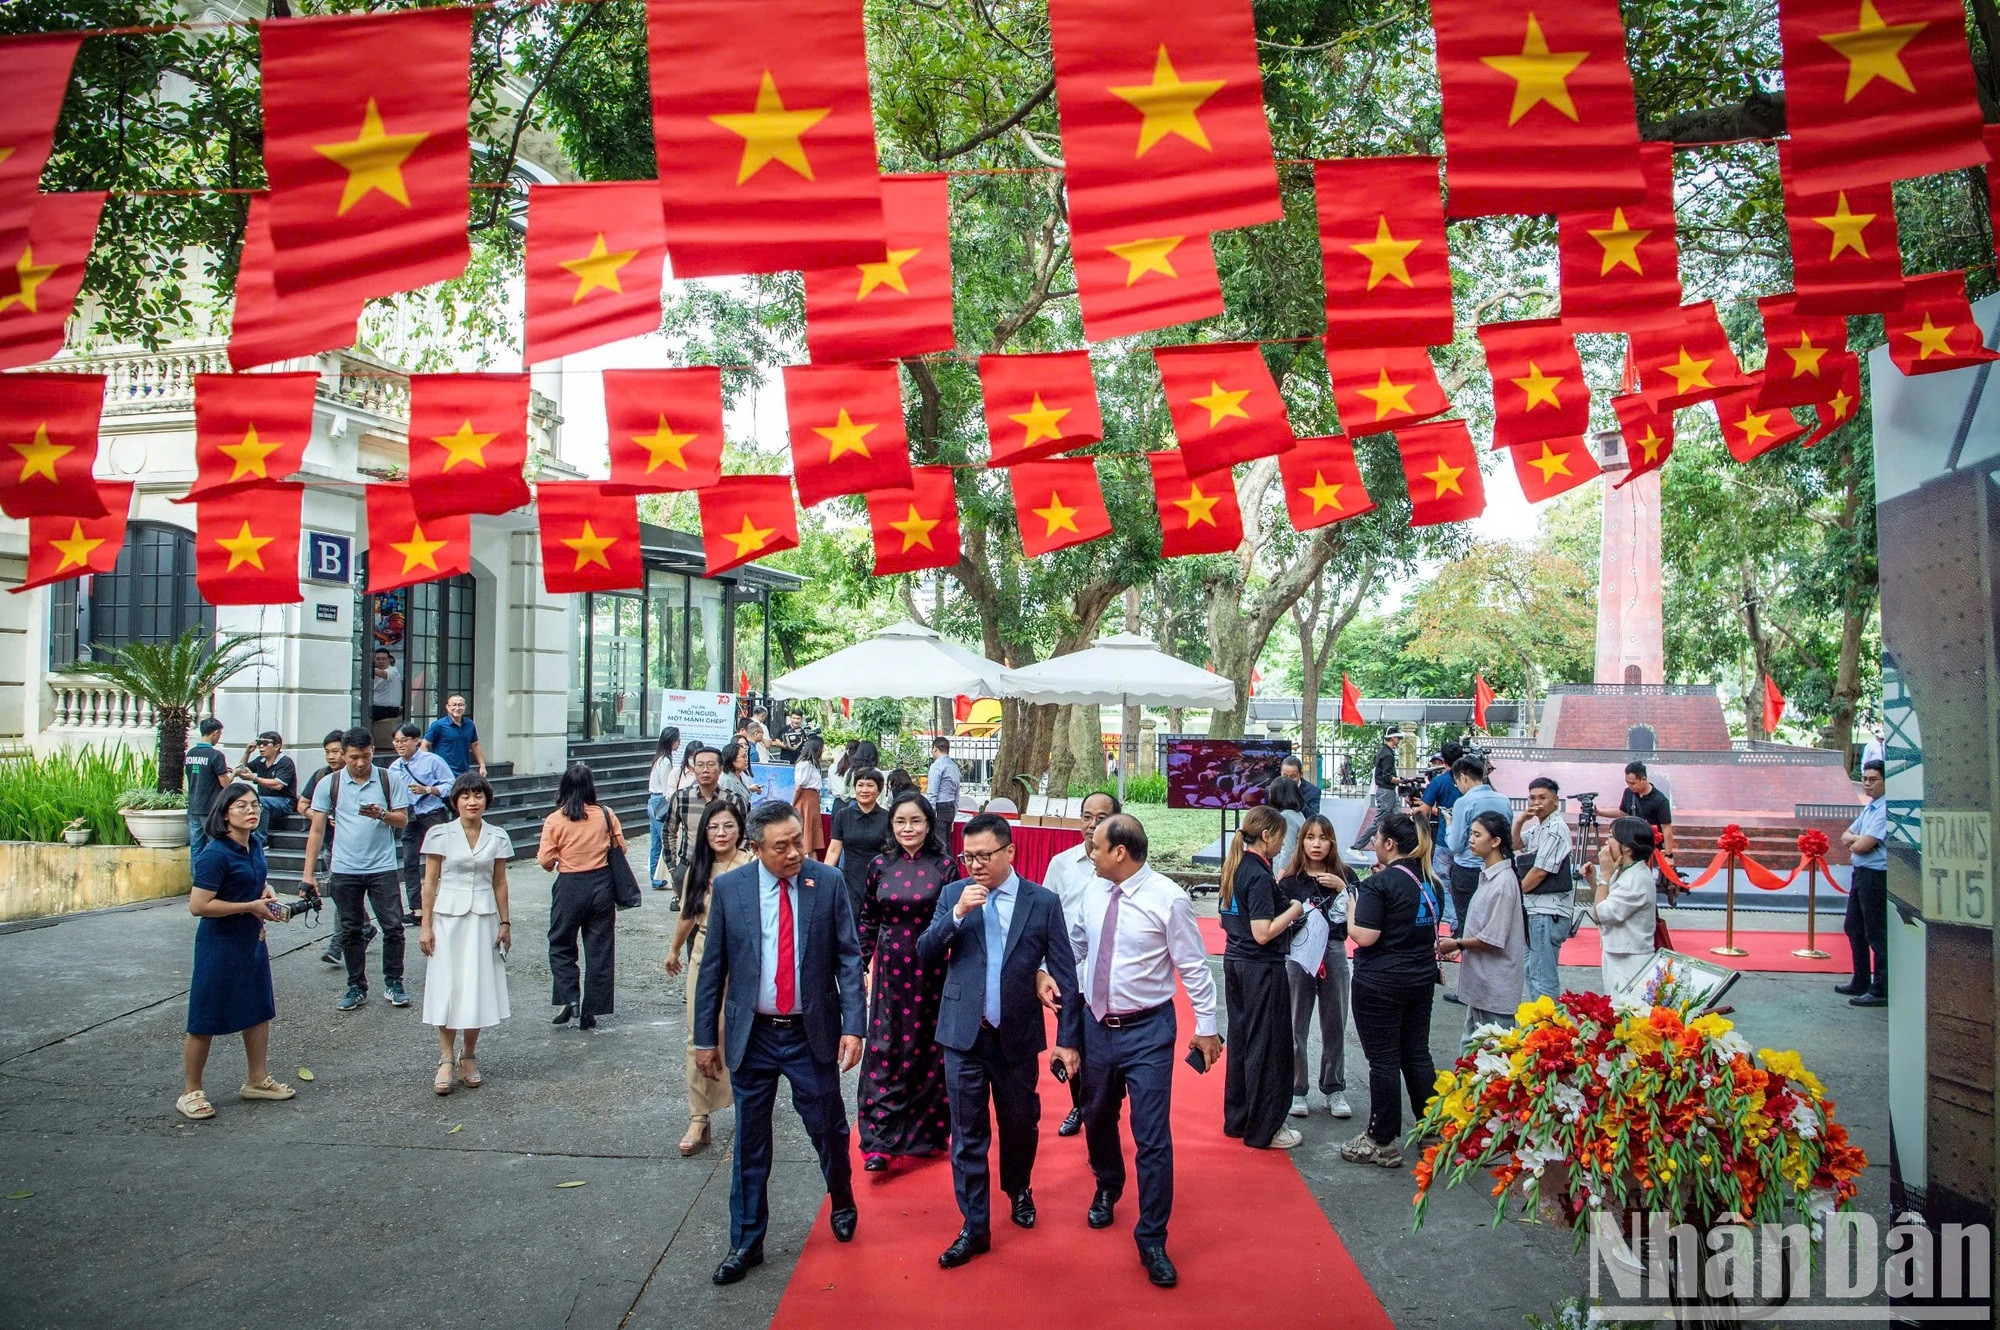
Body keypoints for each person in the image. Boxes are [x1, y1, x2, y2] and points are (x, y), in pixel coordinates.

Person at [694, 802, 866, 1285]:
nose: (795, 853)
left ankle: (842, 1197)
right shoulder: (730, 890)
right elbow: (713, 971)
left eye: (798, 840)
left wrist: (854, 1026)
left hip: (810, 1035)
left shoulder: (825, 883)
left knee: (828, 1129)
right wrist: (705, 1039)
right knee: (751, 1141)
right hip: (754, 1036)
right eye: (781, 846)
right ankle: (746, 1240)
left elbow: (849, 959)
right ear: (755, 848)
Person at [1060, 814, 1222, 1289]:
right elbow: (1077, 945)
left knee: (1152, 1134)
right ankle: (1108, 1185)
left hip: (1148, 1031)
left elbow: (1194, 966)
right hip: (1095, 1027)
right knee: (1096, 1114)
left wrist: (1208, 1028)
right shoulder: (1094, 890)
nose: (1089, 855)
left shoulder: (1167, 900)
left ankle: (1152, 1235)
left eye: (1096, 847)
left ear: (1120, 853)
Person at [917, 813, 1081, 1267]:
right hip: (963, 1035)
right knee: (968, 1135)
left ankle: (1018, 1188)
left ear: (1010, 852)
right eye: (968, 856)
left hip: (1016, 1035)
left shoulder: (1042, 902)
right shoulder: (954, 894)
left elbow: (1064, 970)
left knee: (1019, 1124)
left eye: (985, 856)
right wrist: (957, 914)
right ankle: (974, 1226)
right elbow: (926, 952)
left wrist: (1068, 1040)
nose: (976, 865)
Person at [177, 782, 295, 1121]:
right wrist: (250, 906)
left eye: (255, 804)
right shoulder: (215, 854)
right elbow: (198, 906)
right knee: (205, 1016)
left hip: (251, 939)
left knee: (258, 1008)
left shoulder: (254, 844)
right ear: (225, 813)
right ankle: (190, 1091)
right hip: (219, 943)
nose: (251, 811)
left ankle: (256, 1079)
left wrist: (265, 891)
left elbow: (256, 881)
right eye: (241, 806)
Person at [855, 791, 957, 1169]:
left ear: (928, 824)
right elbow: (867, 919)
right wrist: (861, 964)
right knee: (885, 1049)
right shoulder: (879, 865)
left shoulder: (945, 867)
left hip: (932, 972)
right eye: (900, 821)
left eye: (915, 821)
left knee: (929, 1051)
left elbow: (954, 922)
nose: (907, 828)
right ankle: (879, 1140)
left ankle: (926, 1133)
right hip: (889, 973)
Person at [1341, 812, 1440, 1169]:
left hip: (1380, 982)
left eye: (1376, 839)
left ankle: (1381, 1139)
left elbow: (1364, 936)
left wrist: (1352, 909)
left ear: (1389, 844)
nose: (1372, 845)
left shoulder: (1378, 886)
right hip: (1420, 979)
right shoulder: (1430, 880)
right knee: (1417, 1054)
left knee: (1383, 1060)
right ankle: (1431, 1128)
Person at [301, 729, 412, 1012]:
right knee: (351, 930)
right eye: (353, 757)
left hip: (382, 867)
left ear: (373, 751)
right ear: (343, 754)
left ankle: (394, 982)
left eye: (365, 756)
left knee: (393, 927)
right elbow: (316, 830)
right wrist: (308, 874)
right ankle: (356, 986)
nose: (360, 763)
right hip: (345, 868)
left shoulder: (390, 779)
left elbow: (403, 820)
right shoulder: (329, 783)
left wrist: (382, 815)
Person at [417, 772, 513, 1095]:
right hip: (447, 919)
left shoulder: (497, 836)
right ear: (455, 801)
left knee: (476, 987)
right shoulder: (439, 834)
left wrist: (505, 923)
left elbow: (499, 881)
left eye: (479, 796)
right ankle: (445, 1058)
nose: (472, 802)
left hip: (483, 919)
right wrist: (426, 924)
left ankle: (468, 1056)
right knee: (448, 986)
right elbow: (430, 882)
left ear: (487, 800)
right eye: (466, 796)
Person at [665, 798, 751, 1156]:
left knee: (742, 1037)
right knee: (697, 1037)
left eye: (728, 826)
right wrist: (673, 949)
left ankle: (747, 1109)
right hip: (704, 957)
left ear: (740, 830)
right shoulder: (697, 868)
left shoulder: (752, 865)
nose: (721, 833)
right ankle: (699, 1117)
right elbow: (688, 913)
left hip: (745, 961)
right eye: (713, 827)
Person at [1217, 806, 1305, 1151]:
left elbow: (1228, 921)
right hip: (1260, 966)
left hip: (1236, 963)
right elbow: (1263, 932)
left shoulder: (1235, 866)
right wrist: (1295, 909)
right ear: (1267, 835)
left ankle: (1239, 1118)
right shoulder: (1256, 873)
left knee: (1242, 1040)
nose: (1282, 845)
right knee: (1266, 1046)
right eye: (1281, 838)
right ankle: (1264, 1126)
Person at [1041, 790, 1120, 1136]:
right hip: (1069, 973)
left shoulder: (1123, 863)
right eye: (1087, 817)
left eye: (1101, 818)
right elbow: (1043, 919)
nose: (1092, 825)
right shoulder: (1061, 864)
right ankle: (1080, 1106)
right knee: (1072, 1044)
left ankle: (1106, 1107)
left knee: (1108, 1053)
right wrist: (1042, 969)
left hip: (1114, 976)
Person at [536, 763, 626, 1031]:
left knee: (561, 943)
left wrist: (559, 860)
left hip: (569, 885)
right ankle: (592, 1009)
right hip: (601, 885)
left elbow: (545, 860)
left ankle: (570, 997)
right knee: (599, 948)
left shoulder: (555, 820)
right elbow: (620, 847)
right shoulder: (606, 814)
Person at [1278, 814, 1353, 1119]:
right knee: (1296, 1022)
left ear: (1331, 842)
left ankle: (1333, 1087)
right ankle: (1297, 1089)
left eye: (1323, 838)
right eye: (1310, 837)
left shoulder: (1345, 874)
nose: (1317, 844)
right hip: (1298, 955)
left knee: (1335, 1022)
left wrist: (1344, 887)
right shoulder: (1290, 880)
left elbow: (1356, 920)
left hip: (1333, 951)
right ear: (1302, 841)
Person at [1437, 811, 1526, 1048]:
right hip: (1482, 982)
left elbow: (1493, 938)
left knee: (1495, 1057)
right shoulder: (1490, 876)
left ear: (1496, 841)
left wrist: (1458, 944)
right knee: (1472, 1050)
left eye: (1477, 835)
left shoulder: (1504, 882)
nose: (1471, 840)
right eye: (1471, 834)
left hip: (1495, 986)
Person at [1442, 755, 1511, 1004]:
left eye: (1457, 782)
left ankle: (1467, 990)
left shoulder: (1464, 801)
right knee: (1492, 929)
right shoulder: (1503, 799)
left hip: (1468, 871)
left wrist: (1449, 824)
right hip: (1497, 867)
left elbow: (1456, 844)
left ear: (1462, 777)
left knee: (1468, 928)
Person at [1513, 777, 1575, 1003]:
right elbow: (1515, 845)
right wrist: (1520, 820)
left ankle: (1548, 1030)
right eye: (1533, 798)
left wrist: (1515, 896)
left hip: (1547, 912)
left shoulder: (1555, 829)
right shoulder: (1541, 826)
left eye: (1543, 797)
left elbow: (1540, 871)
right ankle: (1541, 1029)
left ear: (1556, 801)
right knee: (1532, 970)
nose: (1537, 802)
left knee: (1541, 976)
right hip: (1537, 910)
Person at [390, 723, 456, 923]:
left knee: (440, 859)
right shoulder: (394, 767)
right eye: (396, 741)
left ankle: (446, 901)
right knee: (410, 862)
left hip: (432, 813)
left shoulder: (432, 761)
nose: (400, 745)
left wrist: (428, 789)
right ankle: (417, 908)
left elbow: (450, 784)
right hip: (410, 817)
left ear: (415, 741)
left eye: (404, 741)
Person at [1587, 817, 1661, 995]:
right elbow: (1606, 901)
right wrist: (1594, 880)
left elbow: (1601, 914)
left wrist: (1604, 876)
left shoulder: (1635, 879)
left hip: (1630, 958)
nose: (1606, 842)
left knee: (1625, 1013)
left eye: (1611, 837)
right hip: (1617, 952)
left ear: (1627, 847)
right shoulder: (1623, 870)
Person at [1837, 759, 1889, 1007]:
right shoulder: (1870, 808)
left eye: (1873, 779)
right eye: (1865, 779)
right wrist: (1856, 840)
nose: (1867, 784)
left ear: (1886, 782)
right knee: (1853, 927)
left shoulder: (1885, 809)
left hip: (1876, 875)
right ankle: (1860, 979)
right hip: (1860, 873)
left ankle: (1880, 988)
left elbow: (1861, 845)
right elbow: (1845, 835)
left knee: (1875, 932)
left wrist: (1856, 841)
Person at [826, 766, 891, 925]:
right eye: (860, 785)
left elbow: (891, 851)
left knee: (875, 922)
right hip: (850, 878)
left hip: (879, 878)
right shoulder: (843, 815)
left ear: (879, 790)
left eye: (870, 785)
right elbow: (834, 849)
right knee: (850, 920)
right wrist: (825, 876)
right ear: (854, 788)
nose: (864, 790)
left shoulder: (888, 817)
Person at [184, 717, 232, 865]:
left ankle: (197, 881)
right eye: (220, 734)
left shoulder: (191, 753)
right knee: (216, 845)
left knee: (196, 847)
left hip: (193, 806)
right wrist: (234, 774)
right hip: (210, 808)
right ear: (215, 733)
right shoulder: (216, 755)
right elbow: (225, 784)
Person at [1419, 742, 1464, 889]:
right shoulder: (1470, 780)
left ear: (1444, 761)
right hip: (1468, 840)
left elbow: (1424, 811)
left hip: (1444, 839)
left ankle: (1448, 913)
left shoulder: (1438, 781)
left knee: (1442, 881)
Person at [240, 732, 297, 846]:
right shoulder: (260, 760)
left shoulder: (285, 762)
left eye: (265, 743)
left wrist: (255, 778)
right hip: (265, 801)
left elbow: (278, 784)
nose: (261, 746)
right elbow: (242, 768)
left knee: (259, 802)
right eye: (259, 743)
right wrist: (247, 752)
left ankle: (260, 842)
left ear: (277, 746)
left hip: (285, 801)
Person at [646, 726, 684, 894]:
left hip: (653, 801)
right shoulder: (666, 762)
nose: (679, 743)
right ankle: (659, 877)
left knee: (656, 841)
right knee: (663, 840)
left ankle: (655, 877)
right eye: (677, 740)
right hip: (659, 802)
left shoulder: (659, 758)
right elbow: (666, 788)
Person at [1352, 727, 1403, 849]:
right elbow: (1387, 777)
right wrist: (1401, 781)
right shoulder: (1387, 754)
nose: (1399, 740)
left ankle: (1391, 845)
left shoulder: (1386, 751)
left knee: (1396, 818)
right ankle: (1356, 847)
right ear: (1393, 738)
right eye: (1398, 738)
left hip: (1388, 791)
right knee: (1380, 821)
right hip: (1386, 791)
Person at [1619, 761, 1677, 867]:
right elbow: (1622, 812)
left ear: (1643, 779)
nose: (1630, 786)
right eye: (1627, 782)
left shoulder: (1660, 800)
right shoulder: (1628, 793)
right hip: (1630, 843)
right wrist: (1599, 812)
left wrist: (1669, 855)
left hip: (1650, 848)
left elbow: (1666, 828)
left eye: (1633, 783)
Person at [423, 694, 486, 777]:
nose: (457, 708)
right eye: (454, 705)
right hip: (443, 773)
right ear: (447, 707)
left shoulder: (470, 725)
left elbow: (475, 745)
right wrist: (429, 766)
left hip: (463, 773)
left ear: (465, 706)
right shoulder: (438, 725)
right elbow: (424, 745)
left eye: (460, 705)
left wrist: (482, 765)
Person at [792, 734, 826, 857]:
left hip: (813, 799)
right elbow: (799, 786)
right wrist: (793, 803)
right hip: (806, 798)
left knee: (811, 836)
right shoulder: (805, 764)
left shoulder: (812, 764)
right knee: (807, 833)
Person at [1263, 775, 1307, 870]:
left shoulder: (1286, 817)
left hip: (1285, 870)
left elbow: (1288, 849)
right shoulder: (1297, 814)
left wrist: (1281, 872)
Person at [928, 737, 962, 831]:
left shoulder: (937, 766)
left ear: (935, 748)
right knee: (946, 841)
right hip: (950, 806)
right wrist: (954, 812)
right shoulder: (954, 766)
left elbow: (932, 791)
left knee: (939, 842)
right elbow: (957, 792)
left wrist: (930, 812)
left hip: (940, 806)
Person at [370, 648, 402, 744]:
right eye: (378, 659)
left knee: (363, 713)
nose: (381, 661)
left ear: (389, 660)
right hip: (377, 707)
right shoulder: (374, 673)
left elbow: (384, 674)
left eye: (384, 659)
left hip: (389, 709)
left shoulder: (393, 670)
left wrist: (367, 665)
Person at [720, 737, 762, 809]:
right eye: (743, 757)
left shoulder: (740, 776)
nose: (746, 760)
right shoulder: (728, 780)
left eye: (746, 756)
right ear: (733, 760)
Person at [1279, 754, 1322, 819]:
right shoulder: (1272, 789)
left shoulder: (1313, 791)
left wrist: (1296, 797)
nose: (1288, 780)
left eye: (1292, 776)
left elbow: (1314, 818)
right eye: (1285, 776)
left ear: (1300, 774)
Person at [827, 739, 859, 816]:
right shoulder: (857, 769)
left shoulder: (833, 767)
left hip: (838, 804)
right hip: (854, 803)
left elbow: (829, 789)